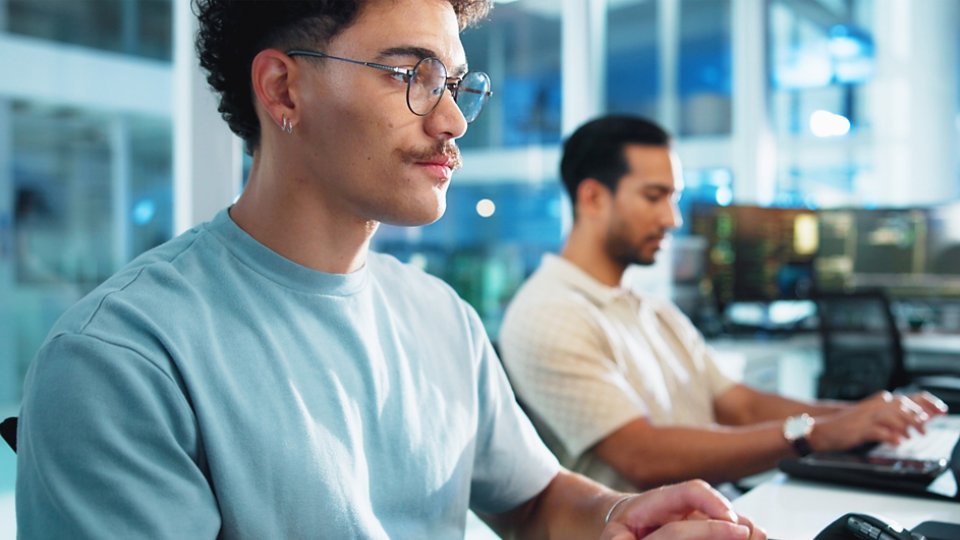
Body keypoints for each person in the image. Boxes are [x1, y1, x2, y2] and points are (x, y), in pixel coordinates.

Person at [15, 3, 766, 539]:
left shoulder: (443, 318)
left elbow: (535, 505)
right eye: (410, 72)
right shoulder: (119, 358)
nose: (453, 121)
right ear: (283, 90)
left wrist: (614, 518)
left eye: (456, 84)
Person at [498, 114, 949, 494]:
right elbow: (642, 456)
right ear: (593, 197)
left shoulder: (650, 309)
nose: (672, 219)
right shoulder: (549, 314)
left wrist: (863, 416)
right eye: (655, 197)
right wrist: (818, 433)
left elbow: (739, 406)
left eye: (673, 198)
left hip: (717, 511)